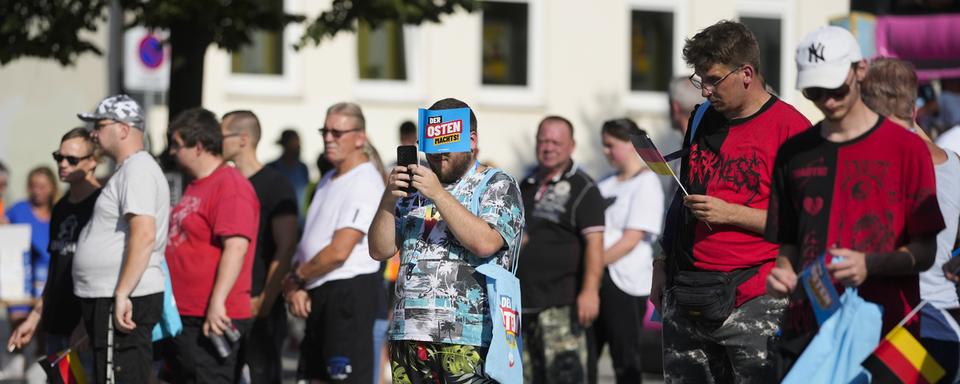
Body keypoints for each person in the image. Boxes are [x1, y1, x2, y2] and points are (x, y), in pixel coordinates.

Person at [765, 26, 945, 376]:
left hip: (891, 334)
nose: (828, 100)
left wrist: (871, 264)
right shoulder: (793, 153)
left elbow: (926, 252)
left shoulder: (906, 150)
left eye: (836, 88)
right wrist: (782, 273)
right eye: (815, 91)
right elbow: (788, 243)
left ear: (860, 70)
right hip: (811, 332)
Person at [651, 20, 811, 383]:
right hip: (687, 294)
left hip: (754, 299)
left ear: (747, 74)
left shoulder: (793, 130)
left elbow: (804, 225)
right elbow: (681, 194)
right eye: (699, 80)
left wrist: (731, 214)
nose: (705, 91)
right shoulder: (703, 117)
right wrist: (661, 262)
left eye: (712, 79)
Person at [369, 98, 524, 383]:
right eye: (432, 150)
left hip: (470, 336)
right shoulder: (415, 187)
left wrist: (438, 194)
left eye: (447, 149)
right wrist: (388, 199)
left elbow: (485, 243)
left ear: (472, 139)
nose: (439, 158)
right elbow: (379, 249)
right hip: (409, 335)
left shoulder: (496, 183)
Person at [281, 102, 384, 383]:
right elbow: (310, 242)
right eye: (324, 131)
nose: (328, 138)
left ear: (359, 137)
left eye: (337, 132)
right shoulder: (328, 178)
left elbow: (339, 251)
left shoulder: (365, 181)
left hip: (347, 296)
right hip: (319, 290)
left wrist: (296, 279)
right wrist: (299, 286)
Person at [73, 94, 168, 383]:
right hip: (113, 296)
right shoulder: (128, 170)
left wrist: (123, 292)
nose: (94, 133)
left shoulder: (137, 168)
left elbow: (144, 233)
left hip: (125, 298)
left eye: (100, 125)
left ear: (124, 129)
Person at [165, 108, 260, 383]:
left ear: (198, 146)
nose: (172, 151)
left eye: (177, 144)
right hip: (185, 314)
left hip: (212, 317)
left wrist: (217, 301)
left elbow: (236, 247)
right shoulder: (197, 185)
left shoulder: (230, 185)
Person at [516, 115, 605, 384]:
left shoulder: (584, 188)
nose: (548, 147)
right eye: (543, 140)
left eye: (556, 141)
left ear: (572, 146)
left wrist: (590, 291)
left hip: (562, 305)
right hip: (523, 304)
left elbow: (595, 244)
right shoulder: (526, 183)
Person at [220, 110, 299, 384]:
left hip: (258, 303)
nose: (215, 141)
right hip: (225, 303)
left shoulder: (275, 184)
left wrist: (265, 298)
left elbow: (286, 246)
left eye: (221, 135)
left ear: (242, 139)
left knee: (262, 375)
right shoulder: (225, 182)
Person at [8, 128, 100, 358]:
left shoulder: (102, 204)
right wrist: (34, 318)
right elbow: (55, 271)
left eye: (72, 159)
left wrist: (86, 323)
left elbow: (104, 274)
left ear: (92, 162)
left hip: (84, 333)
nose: (63, 164)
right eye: (59, 157)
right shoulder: (60, 208)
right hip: (54, 327)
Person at [594, 118, 664, 383]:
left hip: (625, 281)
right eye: (603, 145)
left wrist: (593, 264)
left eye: (610, 145)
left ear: (630, 144)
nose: (605, 151)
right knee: (588, 354)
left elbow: (631, 238)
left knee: (626, 360)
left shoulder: (647, 183)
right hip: (599, 278)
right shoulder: (604, 183)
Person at [268, 128, 310, 221]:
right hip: (278, 220)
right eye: (293, 143)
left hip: (300, 222)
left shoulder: (303, 168)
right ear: (285, 145)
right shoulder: (272, 168)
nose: (298, 147)